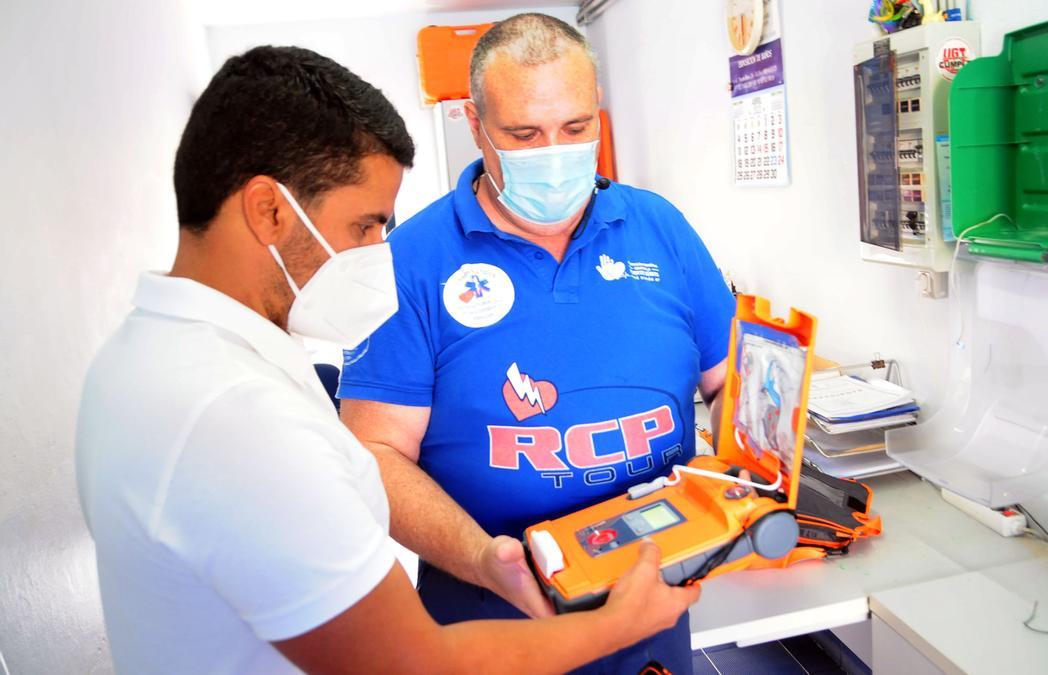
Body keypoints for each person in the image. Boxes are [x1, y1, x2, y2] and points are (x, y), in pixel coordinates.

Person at [75, 45, 697, 675]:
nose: (379, 252)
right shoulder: (235, 417)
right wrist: (616, 626)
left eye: (575, 126)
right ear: (268, 211)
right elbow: (414, 664)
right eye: (365, 226)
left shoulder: (146, 356)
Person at [339, 13, 735, 674]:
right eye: (524, 134)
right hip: (492, 630)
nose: (555, 151)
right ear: (476, 124)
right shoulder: (410, 261)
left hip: (650, 614)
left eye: (576, 128)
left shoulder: (659, 228)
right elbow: (372, 451)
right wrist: (481, 557)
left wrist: (748, 480)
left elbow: (729, 384)